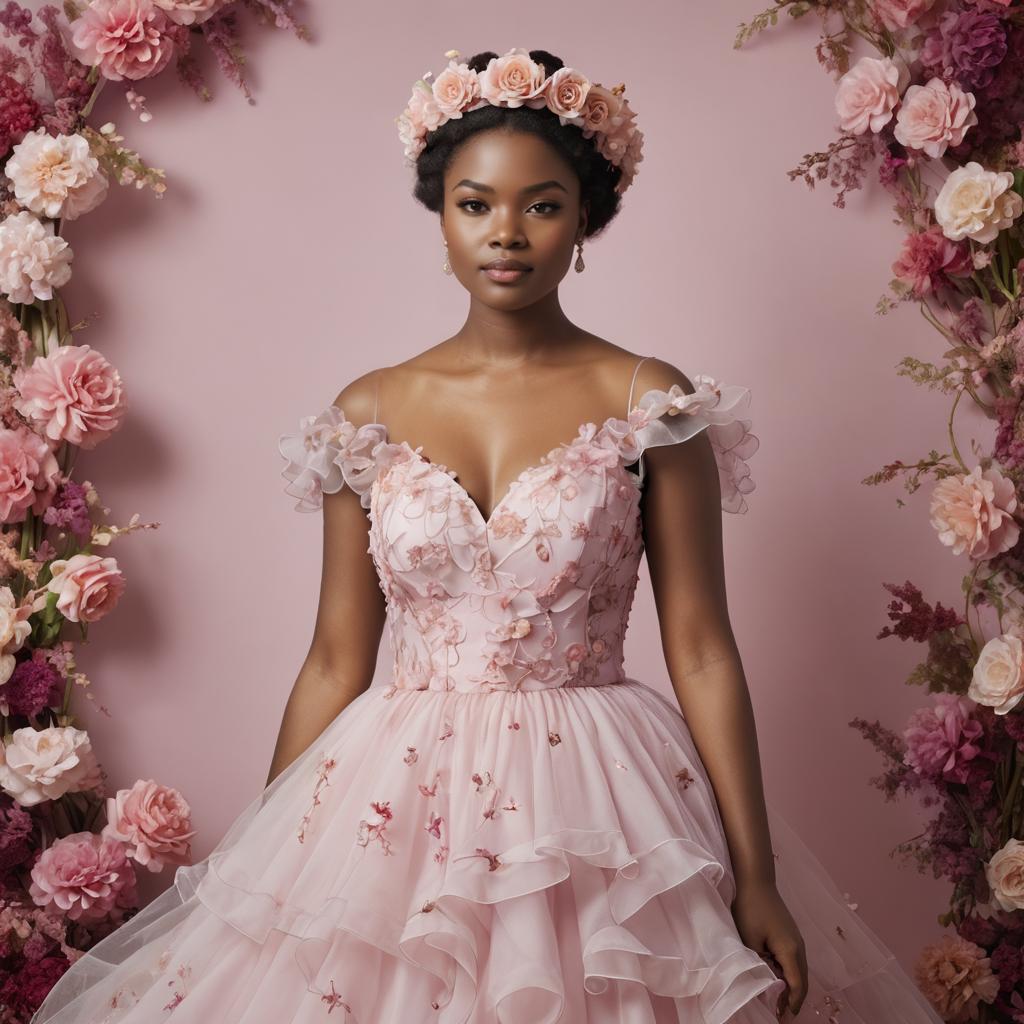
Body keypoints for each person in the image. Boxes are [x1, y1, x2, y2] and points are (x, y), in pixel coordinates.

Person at [29, 46, 946, 1024]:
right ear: (442, 216)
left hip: (600, 803)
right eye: (475, 204)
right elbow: (337, 656)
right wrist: (266, 862)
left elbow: (702, 647)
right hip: (395, 798)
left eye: (541, 204)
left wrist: (753, 873)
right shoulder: (368, 409)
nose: (505, 233)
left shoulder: (651, 403)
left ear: (586, 218)